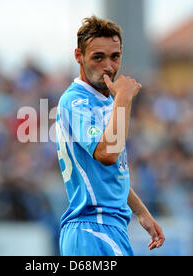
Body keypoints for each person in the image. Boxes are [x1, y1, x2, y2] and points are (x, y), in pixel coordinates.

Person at [55, 16, 165, 256]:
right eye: (98, 57)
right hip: (92, 229)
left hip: (108, 228)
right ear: (78, 56)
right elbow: (107, 153)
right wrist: (124, 100)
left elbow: (109, 174)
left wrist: (140, 212)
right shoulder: (76, 101)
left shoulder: (106, 102)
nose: (108, 66)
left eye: (115, 57)